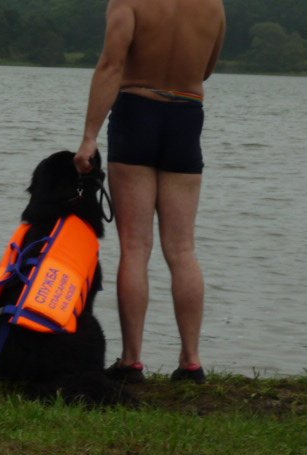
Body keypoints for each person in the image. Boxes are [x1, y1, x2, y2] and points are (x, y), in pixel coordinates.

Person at [74, 0, 226, 383]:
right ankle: (191, 362)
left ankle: (132, 361)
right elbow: (206, 70)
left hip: (137, 112)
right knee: (183, 249)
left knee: (136, 248)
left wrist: (89, 136)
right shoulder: (213, 5)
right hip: (187, 116)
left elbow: (111, 65)